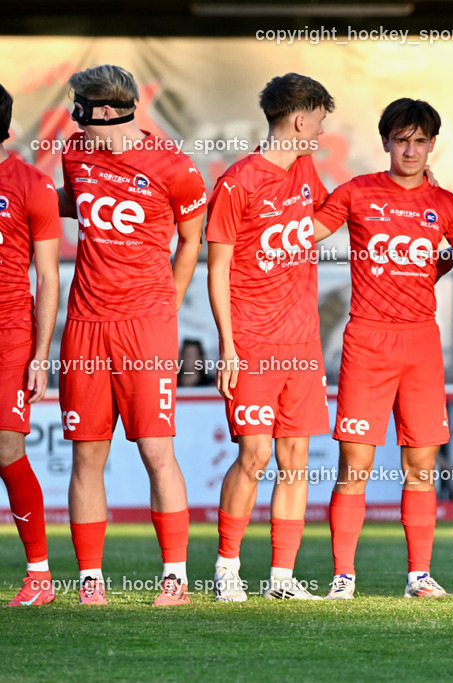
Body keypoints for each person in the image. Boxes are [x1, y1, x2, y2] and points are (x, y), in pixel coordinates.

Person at [313, 97, 453, 599]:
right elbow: (305, 232)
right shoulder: (357, 192)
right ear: (386, 142)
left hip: (420, 344)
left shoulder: (447, 204)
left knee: (422, 466)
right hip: (367, 339)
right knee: (355, 465)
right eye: (401, 140)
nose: (410, 150)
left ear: (432, 145)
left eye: (419, 141)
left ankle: (419, 576)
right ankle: (343, 578)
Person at [56, 64, 207, 605]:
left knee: (156, 451)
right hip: (85, 326)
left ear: (109, 114)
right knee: (86, 455)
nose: (76, 123)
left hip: (146, 328)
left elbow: (192, 240)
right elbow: (67, 203)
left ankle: (175, 578)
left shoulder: (175, 167)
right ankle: (90, 580)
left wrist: (171, 295)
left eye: (83, 113)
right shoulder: (76, 153)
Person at [206, 73, 335, 601]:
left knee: (295, 460)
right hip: (253, 343)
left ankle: (281, 578)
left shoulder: (305, 168)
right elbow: (216, 268)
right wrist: (228, 347)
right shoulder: (238, 181)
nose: (323, 133)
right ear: (301, 120)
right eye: (321, 122)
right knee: (254, 455)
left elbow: (322, 220)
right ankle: (227, 570)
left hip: (303, 345)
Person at [0, 83, 60, 607]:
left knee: (6, 447)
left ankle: (39, 576)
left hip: (9, 336)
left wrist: (40, 355)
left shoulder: (32, 185)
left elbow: (47, 276)